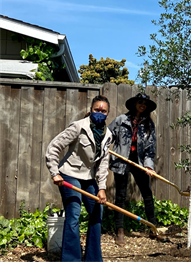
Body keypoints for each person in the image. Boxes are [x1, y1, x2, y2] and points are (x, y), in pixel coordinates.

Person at [45, 95, 112, 262]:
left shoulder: (107, 134)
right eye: (97, 109)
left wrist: (102, 188)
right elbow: (54, 146)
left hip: (88, 178)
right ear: (91, 110)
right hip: (69, 174)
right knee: (74, 214)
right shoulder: (78, 127)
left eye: (103, 111)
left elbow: (103, 163)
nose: (100, 113)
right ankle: (71, 259)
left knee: (97, 211)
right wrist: (55, 172)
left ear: (108, 113)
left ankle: (93, 258)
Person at [108, 93, 157, 246]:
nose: (143, 105)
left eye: (145, 103)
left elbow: (150, 149)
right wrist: (105, 148)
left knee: (147, 195)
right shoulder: (121, 120)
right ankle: (120, 231)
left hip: (139, 162)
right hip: (122, 160)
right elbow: (108, 136)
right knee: (120, 196)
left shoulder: (148, 124)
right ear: (135, 103)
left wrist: (149, 165)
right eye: (140, 102)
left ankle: (153, 228)